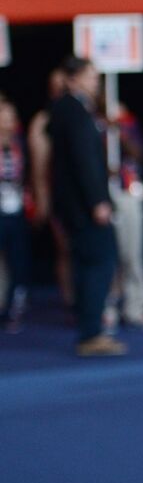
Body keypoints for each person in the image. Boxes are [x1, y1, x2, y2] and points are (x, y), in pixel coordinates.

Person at [47, 57, 123, 357]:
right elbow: (84, 162)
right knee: (100, 263)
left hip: (74, 206)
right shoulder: (75, 111)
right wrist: (98, 202)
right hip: (84, 206)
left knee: (86, 263)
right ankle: (92, 332)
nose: (96, 83)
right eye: (91, 77)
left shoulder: (67, 109)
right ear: (73, 78)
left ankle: (88, 326)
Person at [106, 103, 143, 331]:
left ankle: (136, 306)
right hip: (106, 196)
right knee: (108, 258)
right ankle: (107, 309)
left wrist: (121, 133)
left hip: (130, 197)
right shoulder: (94, 128)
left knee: (133, 255)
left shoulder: (129, 129)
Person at [28, 68, 72, 312]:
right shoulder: (44, 121)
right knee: (65, 249)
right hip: (59, 195)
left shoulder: (84, 113)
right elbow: (39, 165)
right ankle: (71, 300)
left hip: (83, 194)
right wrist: (42, 198)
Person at [0, 102, 32, 333]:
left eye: (12, 116)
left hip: (17, 209)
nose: (10, 121)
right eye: (5, 117)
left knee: (17, 260)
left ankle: (13, 307)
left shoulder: (19, 144)